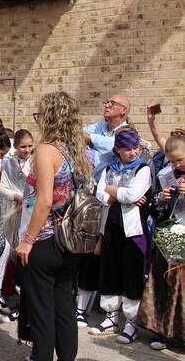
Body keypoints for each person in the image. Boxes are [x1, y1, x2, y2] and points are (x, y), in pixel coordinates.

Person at [16, 91, 91, 361]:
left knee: (42, 313)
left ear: (48, 117)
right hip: (70, 241)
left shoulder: (46, 150)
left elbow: (45, 201)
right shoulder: (76, 151)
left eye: (39, 115)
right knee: (64, 309)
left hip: (46, 239)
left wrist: (27, 240)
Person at [89, 127, 151, 344]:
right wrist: (116, 194)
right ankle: (111, 317)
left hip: (133, 232)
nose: (133, 152)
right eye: (127, 149)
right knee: (110, 271)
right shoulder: (110, 168)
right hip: (111, 228)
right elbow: (99, 194)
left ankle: (132, 323)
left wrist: (112, 190)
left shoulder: (142, 169)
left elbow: (132, 195)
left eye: (135, 148)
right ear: (117, 149)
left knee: (132, 275)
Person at [137, 133, 185, 351]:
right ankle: (162, 331)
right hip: (169, 238)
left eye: (179, 160)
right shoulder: (167, 174)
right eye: (172, 161)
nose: (176, 165)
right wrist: (161, 199)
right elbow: (155, 209)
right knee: (164, 282)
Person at [0, 129, 34, 316]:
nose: (27, 150)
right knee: (10, 251)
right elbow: (2, 187)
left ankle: (26, 295)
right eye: (22, 147)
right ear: (16, 146)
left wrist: (26, 200)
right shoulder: (9, 162)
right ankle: (9, 291)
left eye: (29, 146)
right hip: (12, 211)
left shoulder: (36, 162)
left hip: (30, 212)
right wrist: (16, 196)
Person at [83, 94, 131, 182]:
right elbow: (77, 134)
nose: (106, 105)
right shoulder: (98, 127)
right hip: (89, 183)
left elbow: (114, 144)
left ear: (123, 110)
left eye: (112, 103)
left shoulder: (129, 133)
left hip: (110, 186)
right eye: (106, 102)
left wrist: (90, 140)